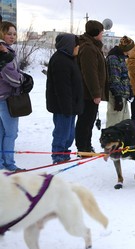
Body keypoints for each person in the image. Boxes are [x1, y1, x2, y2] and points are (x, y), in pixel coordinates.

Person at [46, 33, 83, 164]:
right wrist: (67, 107)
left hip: (70, 105)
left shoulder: (69, 59)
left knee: (69, 133)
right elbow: (62, 88)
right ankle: (58, 155)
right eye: (77, 46)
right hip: (63, 106)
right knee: (62, 132)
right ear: (70, 46)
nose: (78, 48)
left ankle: (65, 153)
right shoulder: (60, 60)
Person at [76, 20, 108, 155]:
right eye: (101, 31)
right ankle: (83, 148)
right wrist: (96, 93)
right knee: (85, 121)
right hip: (87, 93)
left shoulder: (92, 46)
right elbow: (90, 73)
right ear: (96, 32)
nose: (103, 34)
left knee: (89, 120)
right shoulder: (88, 47)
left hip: (90, 93)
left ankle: (86, 146)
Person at [0, 21, 25, 172]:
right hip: (7, 98)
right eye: (9, 33)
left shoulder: (6, 49)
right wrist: (23, 79)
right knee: (11, 133)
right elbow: (11, 76)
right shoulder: (4, 52)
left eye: (14, 34)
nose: (12, 36)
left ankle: (2, 164)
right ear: (2, 33)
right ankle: (9, 163)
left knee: (2, 132)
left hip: (2, 96)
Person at [106, 35, 135, 128]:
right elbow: (114, 79)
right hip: (116, 96)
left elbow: (124, 77)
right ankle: (109, 140)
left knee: (124, 123)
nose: (133, 51)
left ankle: (123, 142)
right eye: (132, 49)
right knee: (115, 122)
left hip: (123, 95)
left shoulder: (122, 58)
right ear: (127, 49)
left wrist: (129, 90)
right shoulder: (114, 58)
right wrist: (117, 97)